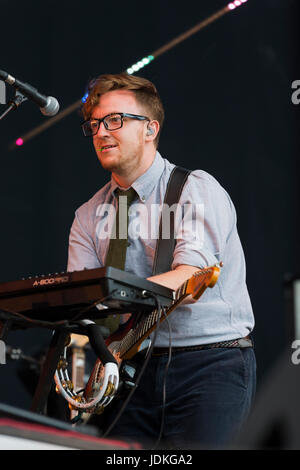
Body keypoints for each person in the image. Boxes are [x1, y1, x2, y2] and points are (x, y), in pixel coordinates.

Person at [67, 73, 256, 449]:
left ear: (150, 129)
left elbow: (190, 279)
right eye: (95, 124)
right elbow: (83, 302)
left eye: (115, 120)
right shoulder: (87, 215)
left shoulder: (194, 189)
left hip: (208, 365)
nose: (102, 132)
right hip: (128, 368)